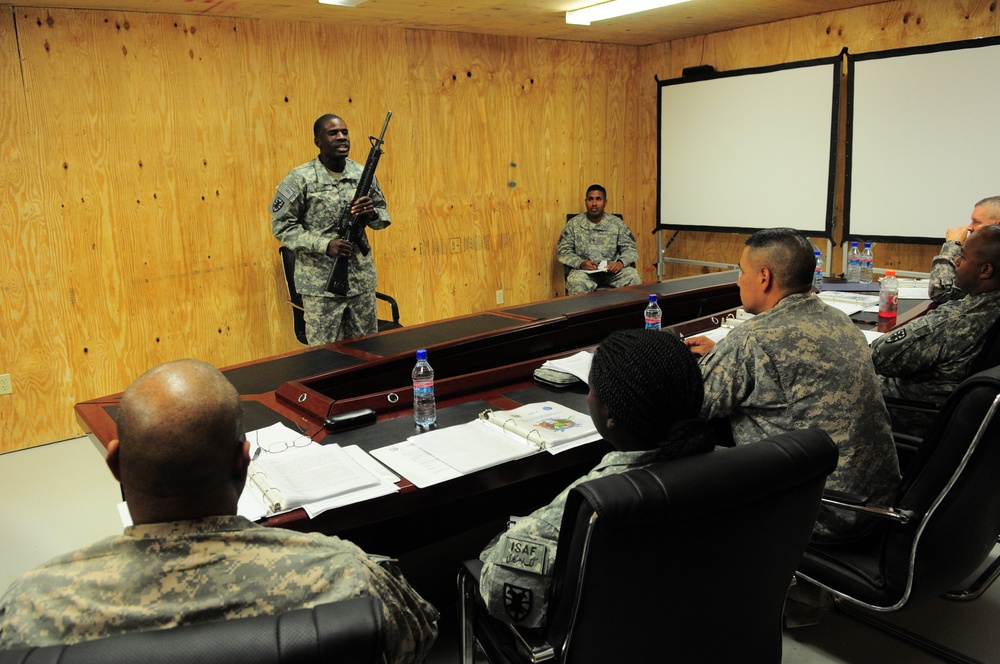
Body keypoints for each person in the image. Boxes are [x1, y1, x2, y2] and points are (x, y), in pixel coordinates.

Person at [0, 359, 438, 663]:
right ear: (244, 460)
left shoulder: (30, 608)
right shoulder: (347, 576)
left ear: (115, 464)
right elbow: (415, 642)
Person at [478, 329, 715, 628]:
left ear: (610, 414)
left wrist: (498, 547)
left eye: (591, 389)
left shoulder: (585, 509)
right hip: (701, 626)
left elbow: (502, 595)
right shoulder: (735, 467)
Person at [684, 228, 899, 543]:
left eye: (741, 272)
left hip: (819, 511)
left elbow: (690, 405)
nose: (737, 281)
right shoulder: (839, 319)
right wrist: (722, 355)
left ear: (763, 277)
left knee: (679, 455)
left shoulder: (752, 338)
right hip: (876, 500)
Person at [271, 114, 391, 344]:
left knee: (368, 355)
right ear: (318, 141)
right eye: (333, 133)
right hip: (321, 289)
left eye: (344, 132)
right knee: (325, 361)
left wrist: (371, 214)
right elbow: (282, 226)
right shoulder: (299, 179)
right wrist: (325, 245)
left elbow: (383, 217)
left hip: (361, 284)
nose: (341, 138)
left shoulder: (361, 174)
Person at [873, 225, 1000, 407]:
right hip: (958, 411)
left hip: (906, 410)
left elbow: (879, 357)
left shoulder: (956, 320)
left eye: (962, 257)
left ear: (985, 271)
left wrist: (906, 366)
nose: (955, 261)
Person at [557, 184, 641, 294]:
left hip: (613, 272)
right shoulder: (574, 224)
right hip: (585, 272)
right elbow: (563, 251)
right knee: (576, 283)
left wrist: (620, 263)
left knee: (634, 278)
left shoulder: (617, 224)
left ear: (605, 202)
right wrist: (581, 263)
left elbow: (630, 248)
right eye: (590, 199)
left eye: (598, 199)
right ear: (585, 201)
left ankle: (631, 312)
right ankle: (585, 312)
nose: (594, 203)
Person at [929, 195, 1000, 303]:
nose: (969, 227)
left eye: (977, 222)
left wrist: (952, 245)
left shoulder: (992, 257)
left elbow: (941, 293)